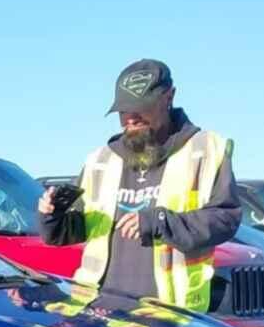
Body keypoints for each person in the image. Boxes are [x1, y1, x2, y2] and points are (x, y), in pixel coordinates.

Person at [39, 59, 240, 311]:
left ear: (169, 97)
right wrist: (52, 216)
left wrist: (158, 222)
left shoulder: (204, 149)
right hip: (100, 309)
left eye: (140, 108)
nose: (130, 119)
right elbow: (74, 231)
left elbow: (225, 219)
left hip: (171, 315)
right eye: (123, 111)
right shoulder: (102, 159)